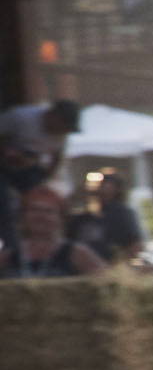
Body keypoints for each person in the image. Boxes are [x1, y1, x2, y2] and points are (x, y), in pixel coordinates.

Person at [0, 98, 79, 257]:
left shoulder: (60, 136)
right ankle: (11, 249)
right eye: (62, 126)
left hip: (31, 170)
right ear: (53, 116)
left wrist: (44, 180)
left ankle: (47, 245)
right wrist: (10, 154)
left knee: (41, 203)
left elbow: (57, 158)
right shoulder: (20, 117)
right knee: (5, 204)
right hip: (4, 165)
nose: (62, 131)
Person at [3, 186, 104, 278]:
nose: (41, 216)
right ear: (23, 216)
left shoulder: (78, 254)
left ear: (61, 217)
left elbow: (106, 281)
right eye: (34, 210)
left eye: (48, 211)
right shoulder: (7, 256)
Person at [66, 168, 145, 264]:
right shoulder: (82, 218)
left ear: (116, 187)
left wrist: (118, 265)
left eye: (104, 183)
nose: (96, 186)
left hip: (111, 266)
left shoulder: (122, 214)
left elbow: (135, 245)